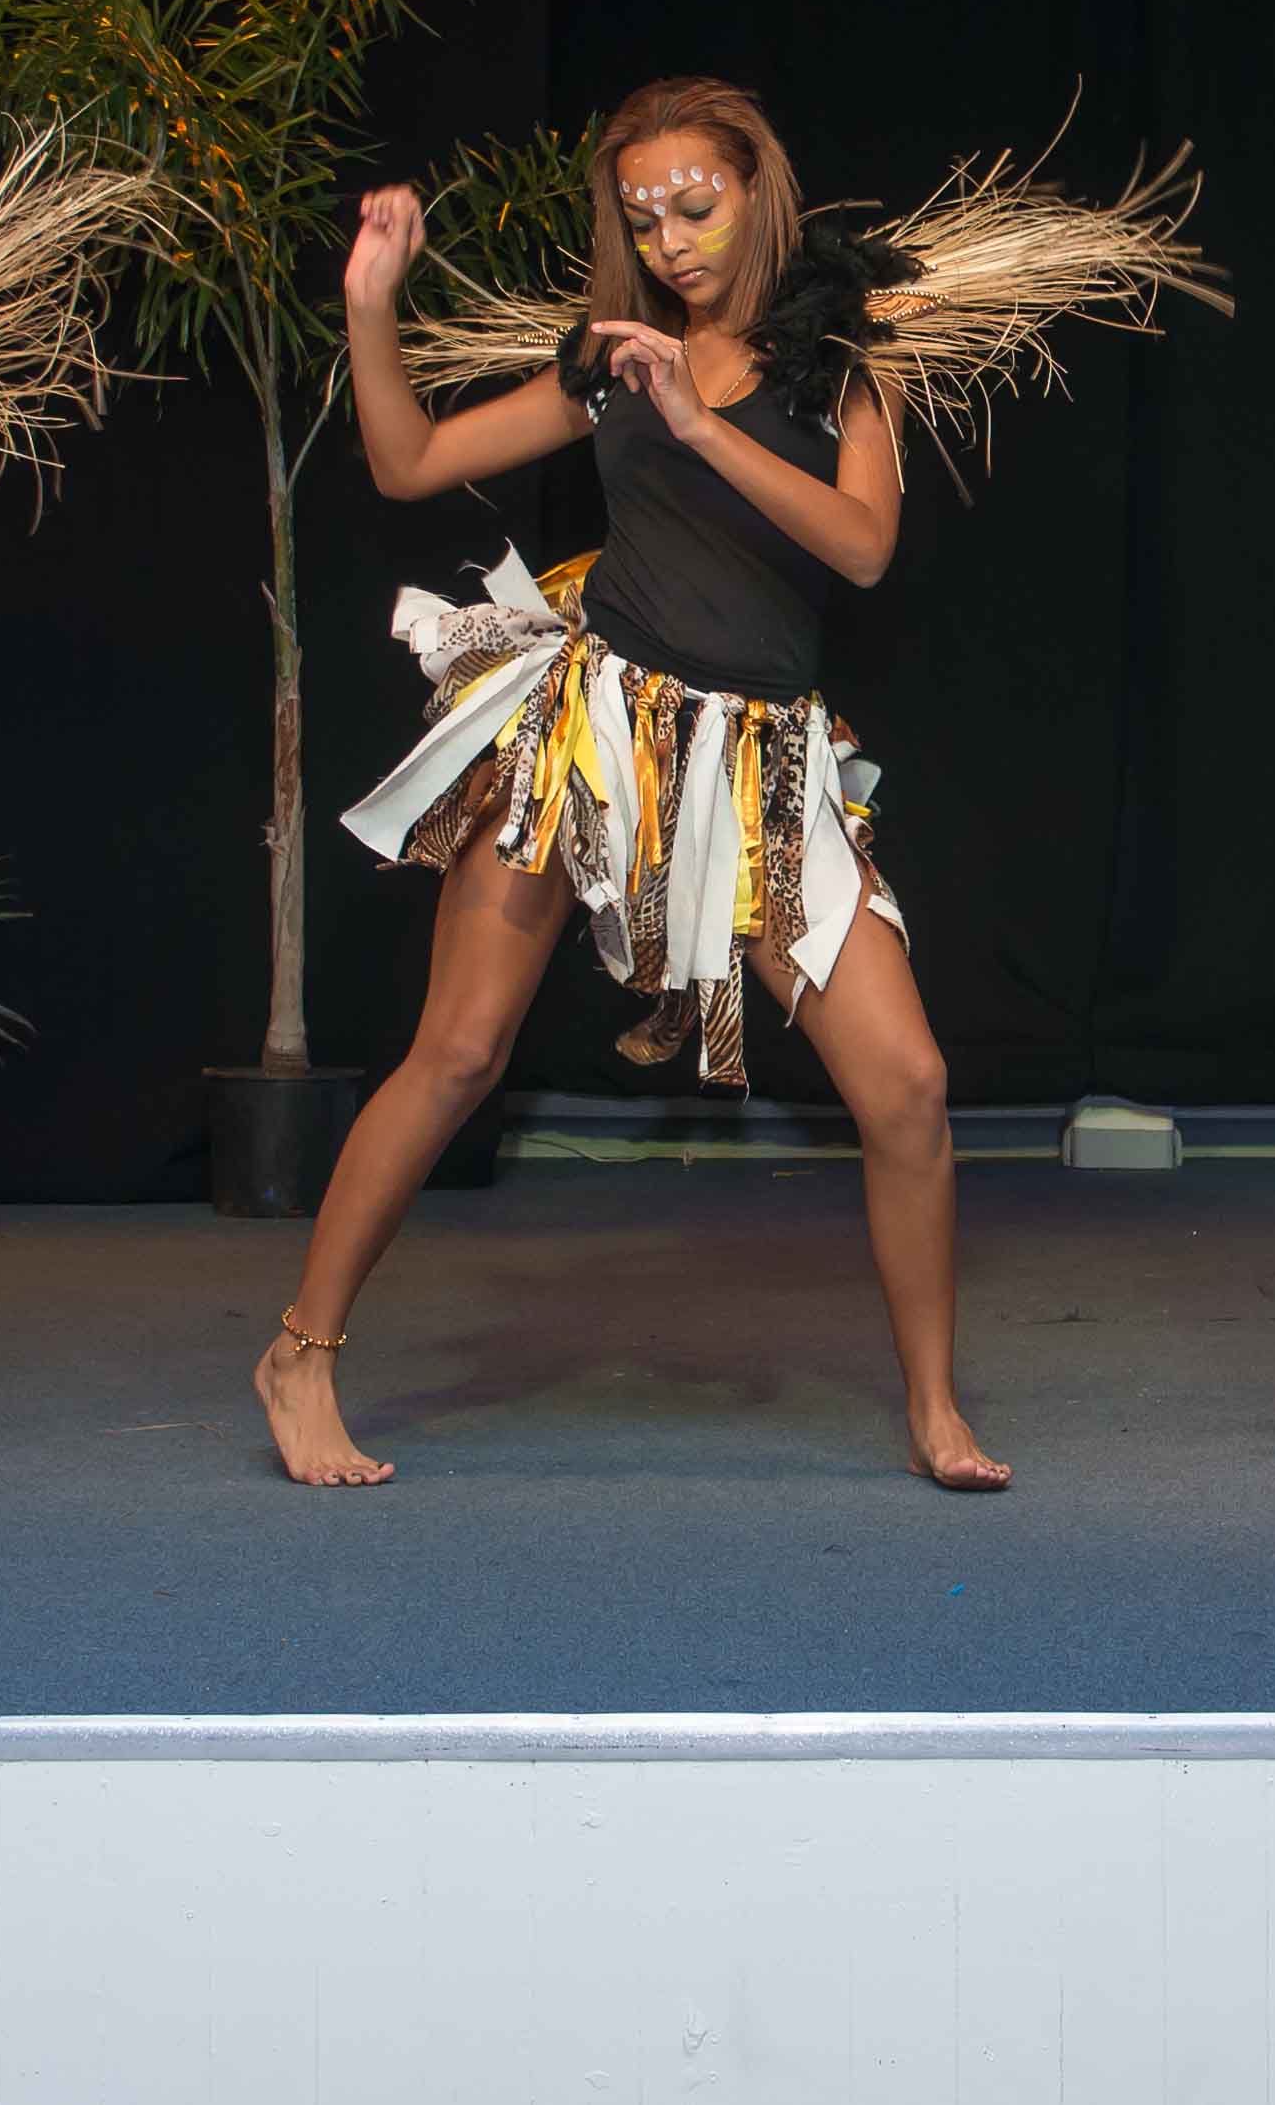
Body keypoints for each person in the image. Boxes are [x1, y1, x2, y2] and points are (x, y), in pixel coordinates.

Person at [264, 79, 1173, 1494]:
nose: (671, 240)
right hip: (592, 731)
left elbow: (861, 546)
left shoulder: (840, 364)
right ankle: (299, 1351)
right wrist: (372, 306)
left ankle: (935, 1406)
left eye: (696, 205)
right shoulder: (613, 360)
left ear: (759, 192)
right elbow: (408, 460)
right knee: (457, 1052)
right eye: (643, 219)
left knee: (908, 1084)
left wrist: (699, 425)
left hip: (761, 761)